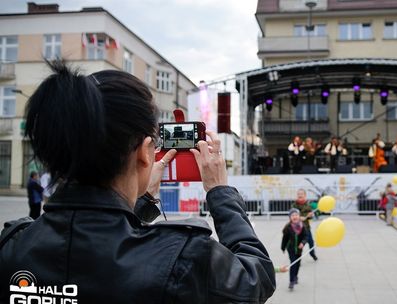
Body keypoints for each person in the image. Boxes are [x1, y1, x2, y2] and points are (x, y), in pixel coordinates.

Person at [0, 61, 275, 303]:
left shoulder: (12, 246)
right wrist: (220, 192)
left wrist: (141, 203)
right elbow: (256, 277)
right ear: (145, 152)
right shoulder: (183, 257)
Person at [281, 208, 308, 290]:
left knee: (298, 263)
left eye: (296, 215)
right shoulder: (288, 227)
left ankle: (296, 276)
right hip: (291, 248)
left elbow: (306, 236)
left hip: (299, 249)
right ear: (290, 217)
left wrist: (303, 243)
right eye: (292, 215)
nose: (294, 216)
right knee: (293, 263)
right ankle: (291, 281)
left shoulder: (303, 226)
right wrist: (283, 247)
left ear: (299, 216)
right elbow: (284, 238)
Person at [291, 188, 318, 261]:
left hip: (306, 228)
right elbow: (291, 215)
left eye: (301, 194)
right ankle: (298, 258)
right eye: (298, 194)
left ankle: (312, 254)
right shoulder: (294, 205)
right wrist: (299, 218)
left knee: (311, 242)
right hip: (297, 229)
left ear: (305, 195)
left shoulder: (308, 205)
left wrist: (311, 215)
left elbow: (310, 217)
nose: (300, 195)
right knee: (299, 245)